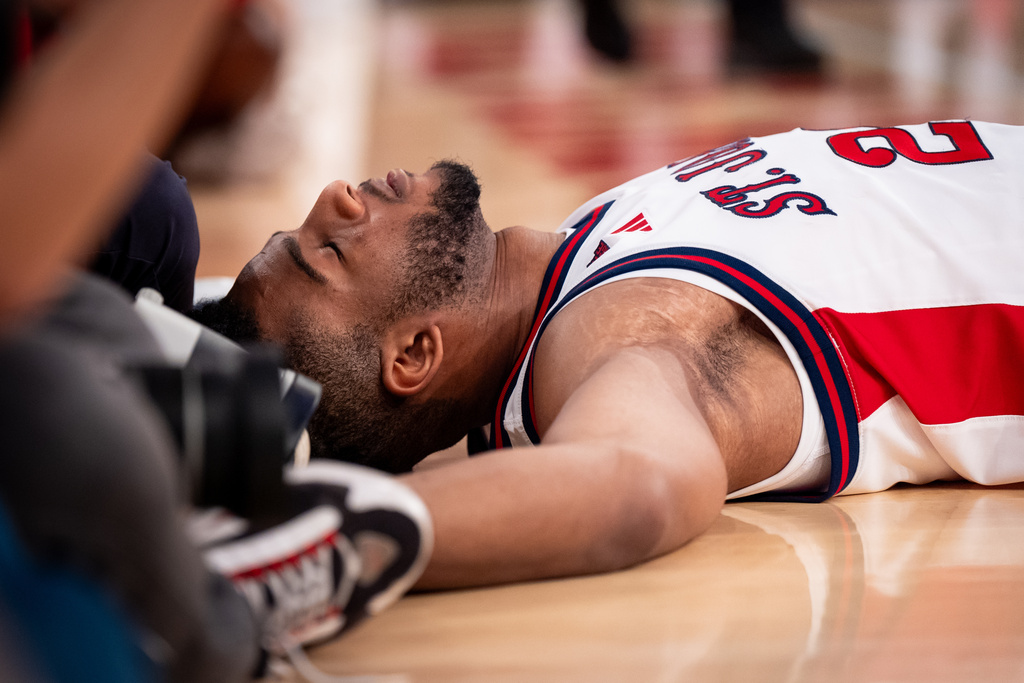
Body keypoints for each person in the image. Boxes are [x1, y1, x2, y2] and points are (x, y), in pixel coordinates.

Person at [195, 119, 1024, 591]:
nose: (333, 199)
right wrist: (321, 538)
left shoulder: (569, 266)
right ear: (414, 353)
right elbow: (636, 480)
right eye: (329, 251)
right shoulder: (610, 335)